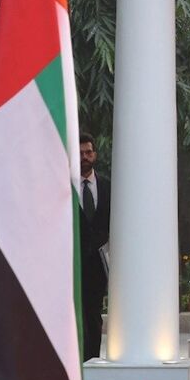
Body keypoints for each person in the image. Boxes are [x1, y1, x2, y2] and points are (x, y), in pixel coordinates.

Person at [79, 133, 112, 361]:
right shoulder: (65, 186)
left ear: (95, 154)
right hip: (72, 262)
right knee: (74, 314)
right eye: (80, 153)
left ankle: (92, 360)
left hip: (99, 264)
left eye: (88, 152)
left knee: (93, 313)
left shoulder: (109, 186)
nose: (84, 157)